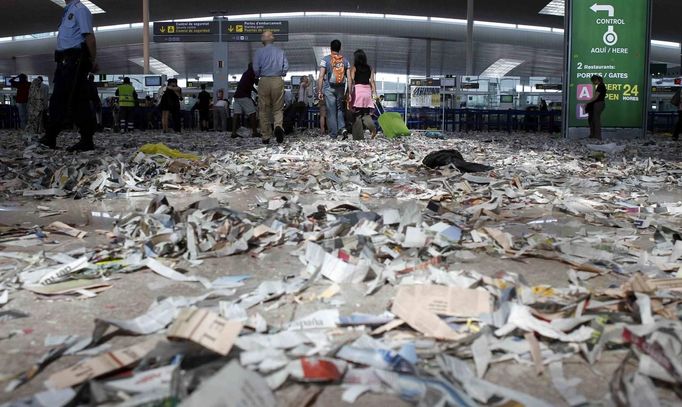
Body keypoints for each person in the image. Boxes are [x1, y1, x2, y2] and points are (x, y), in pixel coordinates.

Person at [39, 0, 98, 151]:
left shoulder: (80, 10)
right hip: (64, 63)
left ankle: (86, 139)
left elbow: (89, 37)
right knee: (58, 99)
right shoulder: (67, 12)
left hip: (75, 62)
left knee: (77, 100)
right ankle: (51, 136)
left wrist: (92, 61)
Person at [253, 30, 289, 144]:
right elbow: (286, 67)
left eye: (262, 36)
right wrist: (281, 73)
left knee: (263, 109)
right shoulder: (280, 52)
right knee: (278, 108)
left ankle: (266, 136)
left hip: (264, 80)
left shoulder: (259, 52)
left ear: (265, 38)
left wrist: (258, 75)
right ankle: (278, 126)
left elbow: (255, 68)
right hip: (277, 80)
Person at [317, 39, 351, 139]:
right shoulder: (345, 61)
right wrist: (349, 92)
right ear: (340, 48)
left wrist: (319, 91)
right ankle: (342, 128)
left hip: (329, 88)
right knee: (339, 109)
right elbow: (349, 78)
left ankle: (333, 134)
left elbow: (321, 76)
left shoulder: (325, 59)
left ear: (330, 48)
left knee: (331, 111)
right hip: (341, 88)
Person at [348, 49, 378, 140]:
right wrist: (374, 93)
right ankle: (373, 128)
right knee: (365, 113)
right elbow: (372, 81)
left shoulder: (354, 67)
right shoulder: (370, 68)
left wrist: (349, 93)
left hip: (358, 91)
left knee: (357, 114)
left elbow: (352, 81)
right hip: (367, 91)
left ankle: (358, 137)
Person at [232, 63, 259, 138]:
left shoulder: (246, 73)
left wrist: (256, 92)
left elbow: (250, 85)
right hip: (244, 96)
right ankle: (255, 132)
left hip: (237, 96)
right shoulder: (252, 73)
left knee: (236, 114)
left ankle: (233, 132)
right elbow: (255, 83)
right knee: (253, 113)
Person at [585, 75, 606, 140]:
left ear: (596, 80)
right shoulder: (601, 85)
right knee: (595, 120)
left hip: (598, 104)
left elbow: (595, 97)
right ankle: (595, 135)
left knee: (596, 120)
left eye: (593, 81)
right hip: (600, 104)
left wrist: (587, 102)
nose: (593, 83)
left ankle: (597, 136)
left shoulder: (600, 86)